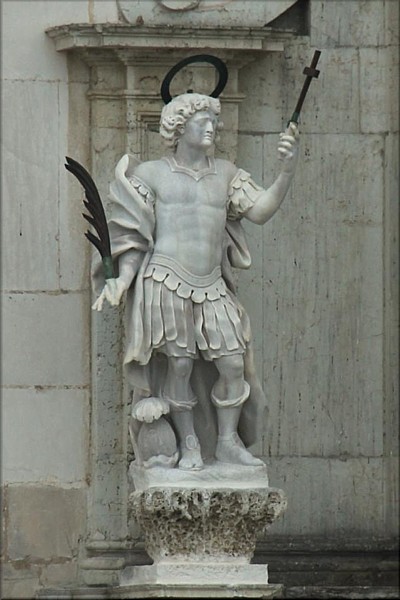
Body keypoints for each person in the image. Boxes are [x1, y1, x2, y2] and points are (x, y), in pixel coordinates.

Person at [92, 93, 299, 471]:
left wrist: (285, 172)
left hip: (212, 285)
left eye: (214, 122)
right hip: (165, 279)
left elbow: (260, 211)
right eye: (202, 121)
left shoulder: (226, 173)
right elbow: (135, 236)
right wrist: (122, 280)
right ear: (177, 126)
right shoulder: (151, 174)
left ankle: (226, 441)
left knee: (233, 364)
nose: (211, 128)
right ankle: (188, 442)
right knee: (180, 367)